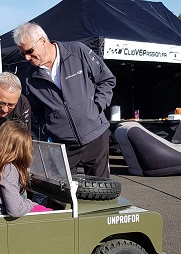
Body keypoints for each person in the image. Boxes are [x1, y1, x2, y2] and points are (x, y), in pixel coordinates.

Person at [13, 22, 116, 178]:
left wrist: (97, 107)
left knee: (102, 193)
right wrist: (49, 128)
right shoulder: (29, 77)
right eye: (23, 54)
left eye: (29, 51)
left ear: (42, 41)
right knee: (65, 198)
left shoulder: (77, 51)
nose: (27, 57)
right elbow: (36, 111)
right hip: (63, 146)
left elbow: (106, 80)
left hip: (96, 137)